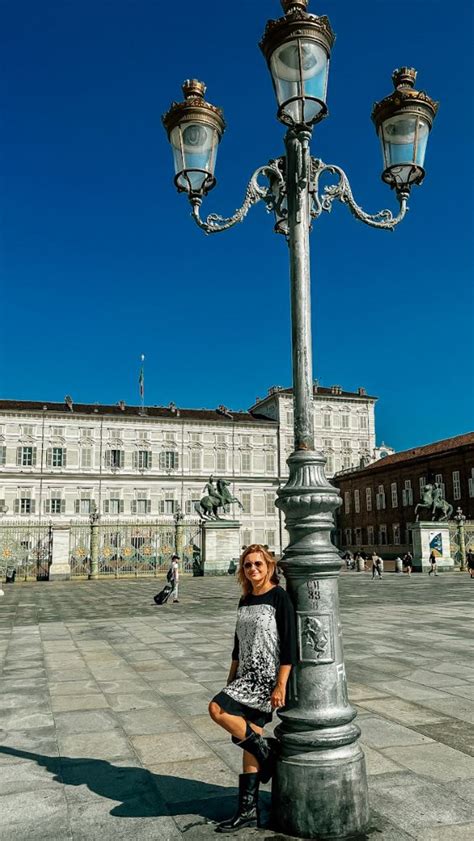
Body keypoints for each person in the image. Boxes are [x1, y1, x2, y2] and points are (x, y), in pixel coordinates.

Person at [208, 544, 297, 833]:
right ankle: (247, 811)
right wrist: (231, 677)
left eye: (258, 564)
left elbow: (290, 646)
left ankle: (267, 752)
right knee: (251, 747)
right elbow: (237, 645)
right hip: (244, 675)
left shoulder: (279, 597)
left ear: (269, 566)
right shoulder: (245, 600)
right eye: (248, 565)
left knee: (216, 709)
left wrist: (280, 684)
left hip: (264, 678)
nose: (253, 569)